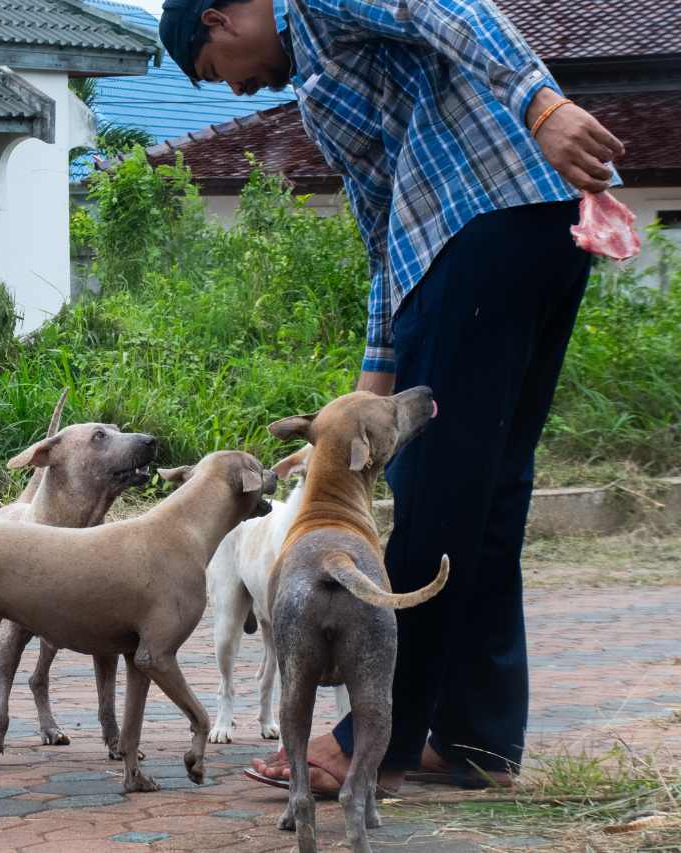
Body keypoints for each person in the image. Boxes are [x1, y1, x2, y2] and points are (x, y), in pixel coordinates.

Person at [157, 0, 625, 794]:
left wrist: (541, 104)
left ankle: (381, 735)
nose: (234, 94)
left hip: (489, 224)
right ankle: (477, 734)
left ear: (219, 18)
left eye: (213, 74)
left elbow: (444, 6)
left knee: (436, 492)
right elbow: (383, 229)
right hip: (499, 235)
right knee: (489, 492)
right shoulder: (315, 89)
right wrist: (371, 382)